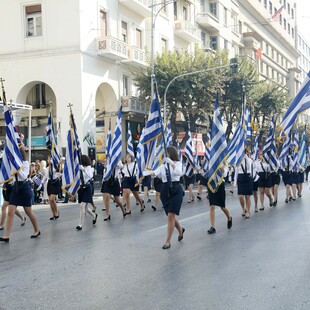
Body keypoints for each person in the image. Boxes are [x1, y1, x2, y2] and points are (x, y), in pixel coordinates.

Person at [0, 147, 40, 242]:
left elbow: (23, 175)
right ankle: (6, 236)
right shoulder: (12, 163)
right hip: (16, 187)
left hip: (25, 187)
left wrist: (17, 167)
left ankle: (37, 230)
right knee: (10, 211)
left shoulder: (25, 163)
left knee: (28, 211)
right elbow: (9, 175)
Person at [152, 146, 185, 250]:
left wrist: (171, 163)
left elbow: (179, 173)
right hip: (165, 191)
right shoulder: (163, 165)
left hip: (176, 189)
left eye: (167, 153)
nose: (165, 155)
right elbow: (155, 173)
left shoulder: (178, 164)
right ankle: (180, 230)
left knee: (171, 215)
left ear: (171, 154)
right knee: (171, 216)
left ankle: (168, 241)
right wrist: (147, 172)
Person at [207, 166, 232, 234]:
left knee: (222, 207)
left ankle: (229, 217)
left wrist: (221, 168)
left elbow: (225, 174)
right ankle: (212, 227)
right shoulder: (211, 161)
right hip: (212, 184)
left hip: (220, 184)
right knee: (212, 205)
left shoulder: (223, 162)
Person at [76, 155, 98, 230]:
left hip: (87, 187)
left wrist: (83, 170)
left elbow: (90, 175)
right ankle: (94, 215)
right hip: (81, 188)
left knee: (82, 206)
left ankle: (80, 224)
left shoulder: (89, 168)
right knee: (85, 208)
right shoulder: (78, 168)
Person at [235, 149, 253, 218]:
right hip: (240, 177)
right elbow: (236, 171)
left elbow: (250, 164)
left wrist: (246, 157)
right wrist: (234, 181)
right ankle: (243, 209)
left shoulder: (249, 160)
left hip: (248, 177)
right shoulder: (237, 161)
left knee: (247, 196)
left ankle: (248, 211)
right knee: (240, 196)